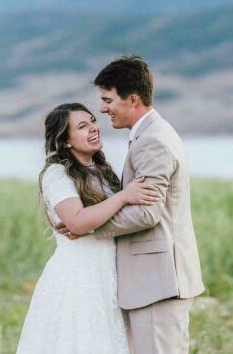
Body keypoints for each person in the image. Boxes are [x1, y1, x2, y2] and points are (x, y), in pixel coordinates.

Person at [59, 56, 205, 354]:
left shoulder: (153, 140)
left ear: (133, 100)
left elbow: (147, 213)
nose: (102, 109)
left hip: (158, 282)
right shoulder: (150, 135)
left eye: (108, 99)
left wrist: (87, 226)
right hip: (154, 282)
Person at [16, 102, 159, 354]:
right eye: (83, 126)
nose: (94, 128)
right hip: (78, 278)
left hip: (109, 275)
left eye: (93, 121)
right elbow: (78, 222)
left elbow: (96, 221)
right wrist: (124, 196)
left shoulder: (102, 171)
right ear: (66, 141)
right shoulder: (58, 174)